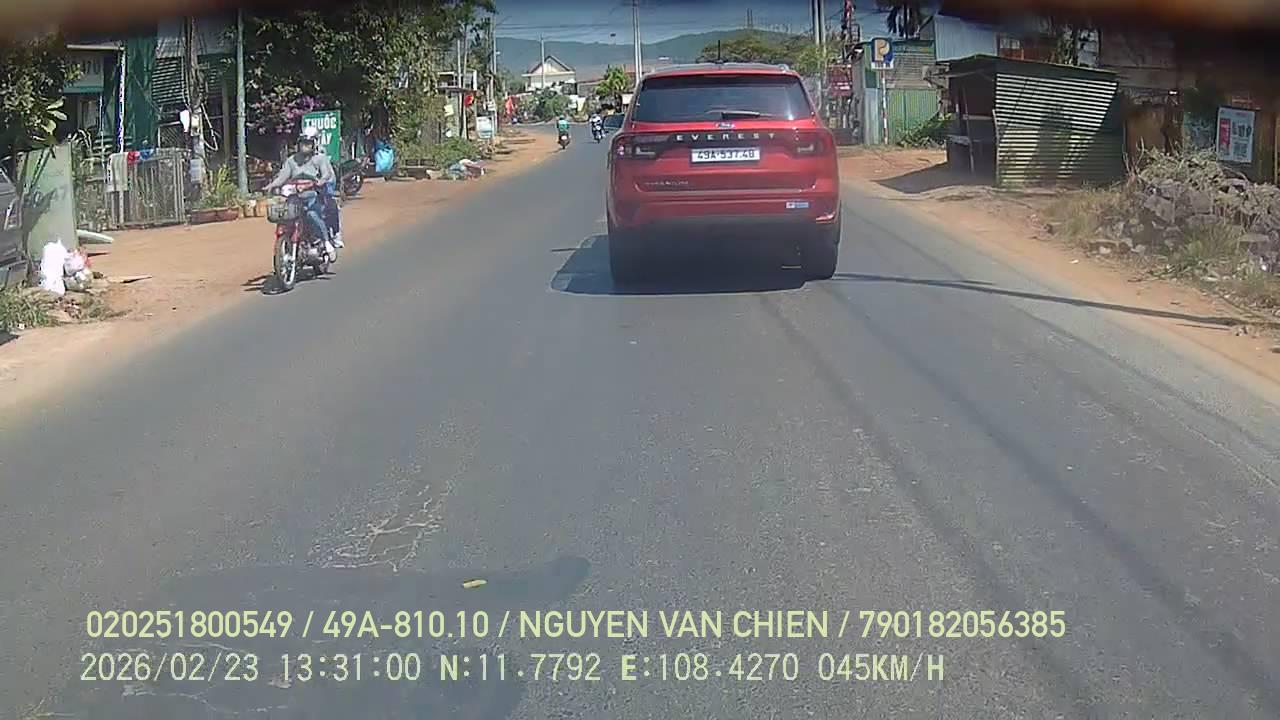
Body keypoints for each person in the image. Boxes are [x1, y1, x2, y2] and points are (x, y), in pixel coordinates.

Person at [265, 127, 343, 254]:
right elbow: (282, 176)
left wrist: (319, 182)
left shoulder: (320, 159)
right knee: (287, 215)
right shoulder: (292, 160)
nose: (305, 146)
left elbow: (326, 174)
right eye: (303, 143)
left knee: (312, 214)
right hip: (295, 195)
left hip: (314, 195)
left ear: (314, 144)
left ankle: (326, 241)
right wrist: (272, 185)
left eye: (308, 143)